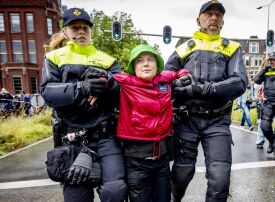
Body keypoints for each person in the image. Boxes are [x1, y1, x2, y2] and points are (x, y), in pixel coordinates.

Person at [40, 8, 127, 202]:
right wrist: (82, 87)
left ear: (90, 31)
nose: (81, 32)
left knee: (115, 191)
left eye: (85, 28)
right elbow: (47, 92)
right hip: (72, 139)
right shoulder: (53, 58)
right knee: (77, 197)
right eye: (75, 28)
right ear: (65, 32)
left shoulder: (108, 60)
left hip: (106, 136)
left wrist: (109, 83)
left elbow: (122, 94)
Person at [165, 1, 248, 201]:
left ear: (223, 21)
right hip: (186, 119)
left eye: (218, 15)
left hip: (217, 121)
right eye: (209, 14)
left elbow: (239, 82)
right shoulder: (183, 48)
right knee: (181, 174)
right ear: (198, 19)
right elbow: (164, 81)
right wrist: (178, 83)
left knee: (220, 180)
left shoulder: (233, 48)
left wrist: (201, 88)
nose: (213, 18)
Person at [111, 44, 189, 202]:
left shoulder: (164, 79)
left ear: (157, 64)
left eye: (150, 59)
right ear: (134, 67)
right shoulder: (125, 82)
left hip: (162, 161)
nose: (145, 63)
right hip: (136, 163)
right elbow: (107, 78)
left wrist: (183, 73)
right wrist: (95, 81)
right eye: (140, 61)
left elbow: (175, 73)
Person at [254, 52, 275, 160]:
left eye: (274, 59)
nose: (271, 62)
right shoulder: (267, 70)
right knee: (264, 126)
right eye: (270, 60)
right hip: (268, 102)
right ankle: (272, 142)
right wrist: (264, 69)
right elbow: (256, 80)